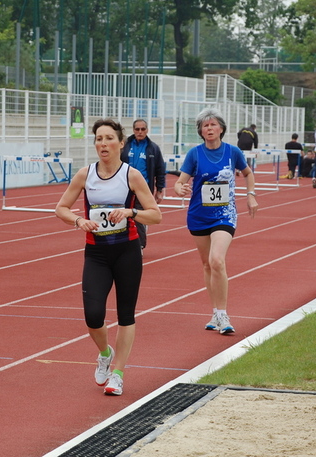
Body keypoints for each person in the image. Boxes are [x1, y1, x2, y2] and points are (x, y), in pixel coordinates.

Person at [55, 118, 162, 396]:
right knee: (93, 316)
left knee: (126, 315)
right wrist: (78, 221)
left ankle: (118, 373)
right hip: (97, 253)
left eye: (108, 138)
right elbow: (61, 208)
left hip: (127, 251)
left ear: (121, 143)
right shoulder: (85, 174)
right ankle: (105, 352)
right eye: (98, 139)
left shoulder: (132, 175)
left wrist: (131, 213)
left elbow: (156, 214)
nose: (103, 143)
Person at [174, 108, 258, 335]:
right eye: (204, 126)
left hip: (224, 214)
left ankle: (223, 313)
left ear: (221, 128)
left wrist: (251, 195)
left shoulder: (233, 152)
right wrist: (180, 188)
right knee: (206, 264)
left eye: (213, 125)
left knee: (217, 260)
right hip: (198, 215)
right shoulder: (194, 154)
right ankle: (214, 312)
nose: (209, 129)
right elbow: (179, 182)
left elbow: (248, 173)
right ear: (200, 131)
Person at [121, 119, 166, 250]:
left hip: (143, 188)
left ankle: (139, 245)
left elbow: (160, 169)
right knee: (123, 215)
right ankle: (123, 243)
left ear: (147, 130)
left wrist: (160, 189)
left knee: (138, 216)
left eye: (143, 129)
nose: (140, 132)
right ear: (133, 130)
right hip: (125, 188)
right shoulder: (125, 146)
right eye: (137, 129)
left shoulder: (153, 148)